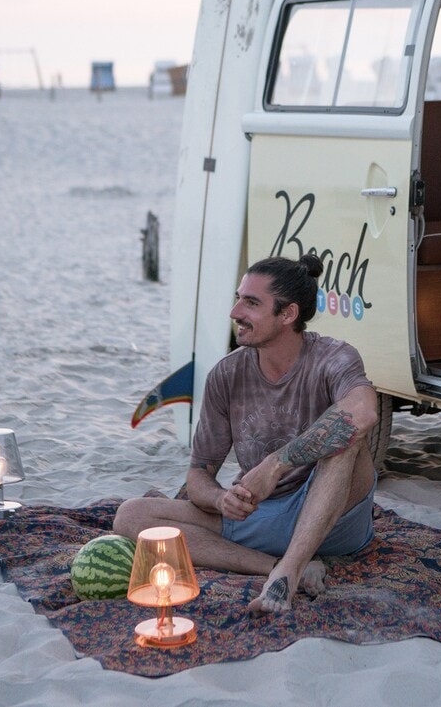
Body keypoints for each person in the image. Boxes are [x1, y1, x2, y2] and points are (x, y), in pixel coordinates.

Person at [113, 254, 379, 615]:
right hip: (260, 518)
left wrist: (275, 464)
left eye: (251, 303)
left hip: (333, 520)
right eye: (238, 298)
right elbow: (198, 477)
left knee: (346, 437)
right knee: (130, 516)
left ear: (287, 315)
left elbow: (364, 411)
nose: (235, 311)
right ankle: (270, 566)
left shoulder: (333, 357)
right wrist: (222, 500)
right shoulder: (226, 375)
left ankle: (290, 568)